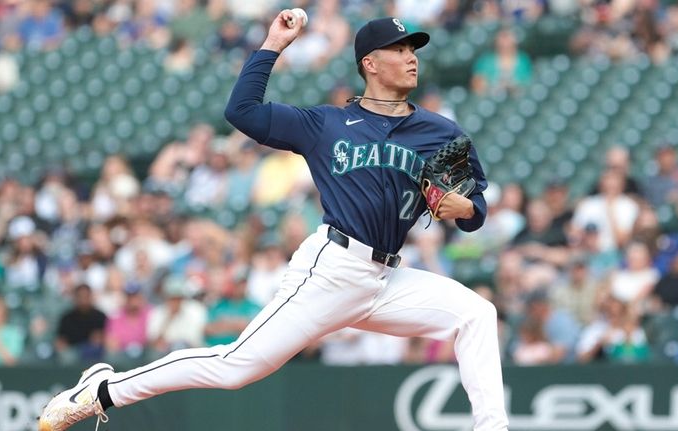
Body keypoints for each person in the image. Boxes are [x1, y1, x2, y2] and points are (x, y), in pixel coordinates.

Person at [39, 13, 509, 431]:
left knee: (477, 314)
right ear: (369, 62)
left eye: (414, 50)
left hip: (386, 278)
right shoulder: (325, 124)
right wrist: (271, 46)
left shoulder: (441, 132)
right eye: (400, 49)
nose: (412, 58)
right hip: (333, 268)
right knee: (234, 368)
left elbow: (476, 204)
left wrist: (466, 209)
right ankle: (102, 390)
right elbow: (240, 112)